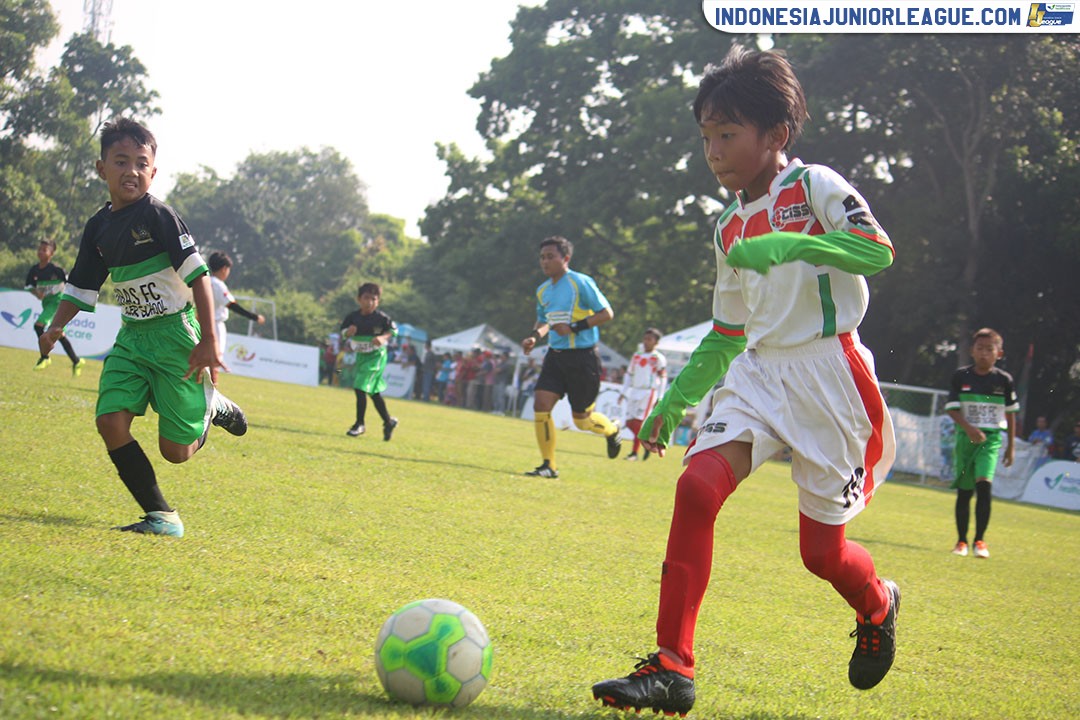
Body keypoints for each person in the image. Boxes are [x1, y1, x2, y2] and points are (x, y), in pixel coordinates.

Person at [591, 46, 899, 716]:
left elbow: (877, 249)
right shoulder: (727, 227)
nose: (714, 152)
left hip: (830, 377)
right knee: (696, 488)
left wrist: (797, 243)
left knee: (822, 555)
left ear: (776, 136)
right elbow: (727, 333)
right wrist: (674, 401)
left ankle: (878, 602)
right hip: (758, 374)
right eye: (706, 138)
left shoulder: (814, 185)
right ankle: (673, 666)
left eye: (727, 135)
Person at [37, 118, 248, 538]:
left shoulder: (160, 216)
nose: (131, 170)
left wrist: (207, 339)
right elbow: (81, 285)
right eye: (121, 161)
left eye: (140, 162)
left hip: (176, 337)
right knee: (110, 422)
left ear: (153, 171)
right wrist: (54, 326)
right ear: (102, 169)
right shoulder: (97, 227)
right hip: (132, 337)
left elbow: (199, 276)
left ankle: (212, 406)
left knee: (176, 452)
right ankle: (162, 517)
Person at [520, 235, 622, 478]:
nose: (545, 262)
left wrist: (574, 328)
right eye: (542, 257)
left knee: (582, 421)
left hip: (583, 359)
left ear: (565, 258)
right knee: (541, 404)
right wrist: (535, 336)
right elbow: (544, 320)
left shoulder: (580, 282)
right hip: (555, 357)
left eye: (550, 257)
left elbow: (607, 313)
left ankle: (611, 430)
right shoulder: (543, 290)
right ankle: (548, 465)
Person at [945, 328, 1017, 560]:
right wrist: (969, 429)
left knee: (984, 485)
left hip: (991, 440)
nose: (984, 353)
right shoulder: (961, 377)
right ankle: (961, 541)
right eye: (980, 348)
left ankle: (980, 540)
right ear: (972, 351)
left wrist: (1011, 446)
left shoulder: (1004, 381)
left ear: (999, 353)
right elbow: (952, 410)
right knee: (965, 492)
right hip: (965, 440)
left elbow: (1012, 414)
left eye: (989, 349)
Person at [340, 282, 398, 441]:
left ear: (378, 301)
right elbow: (343, 332)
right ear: (359, 299)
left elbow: (393, 330)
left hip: (376, 357)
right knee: (373, 392)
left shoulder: (381, 318)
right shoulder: (352, 317)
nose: (370, 302)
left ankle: (359, 424)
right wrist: (347, 333)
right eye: (366, 298)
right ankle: (388, 421)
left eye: (374, 299)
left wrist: (383, 337)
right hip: (361, 357)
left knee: (359, 385)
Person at [25, 239, 85, 376]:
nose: (40, 252)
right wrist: (37, 293)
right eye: (39, 249)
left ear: (51, 254)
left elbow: (71, 283)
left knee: (38, 326)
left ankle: (45, 357)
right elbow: (29, 286)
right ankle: (76, 360)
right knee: (59, 333)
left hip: (57, 303)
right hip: (46, 303)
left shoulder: (56, 270)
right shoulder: (34, 270)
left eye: (44, 250)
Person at [620, 327, 667, 461]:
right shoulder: (637, 355)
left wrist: (660, 396)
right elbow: (629, 374)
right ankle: (647, 442)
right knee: (629, 422)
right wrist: (623, 392)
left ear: (656, 342)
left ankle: (634, 453)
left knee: (639, 422)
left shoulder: (658, 358)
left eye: (650, 339)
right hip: (635, 390)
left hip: (648, 392)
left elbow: (663, 378)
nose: (646, 342)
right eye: (645, 339)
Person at [207, 251, 265, 357]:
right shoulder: (218, 285)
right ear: (224, 268)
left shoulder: (206, 281)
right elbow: (233, 306)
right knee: (215, 359)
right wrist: (254, 317)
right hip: (215, 325)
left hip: (203, 323)